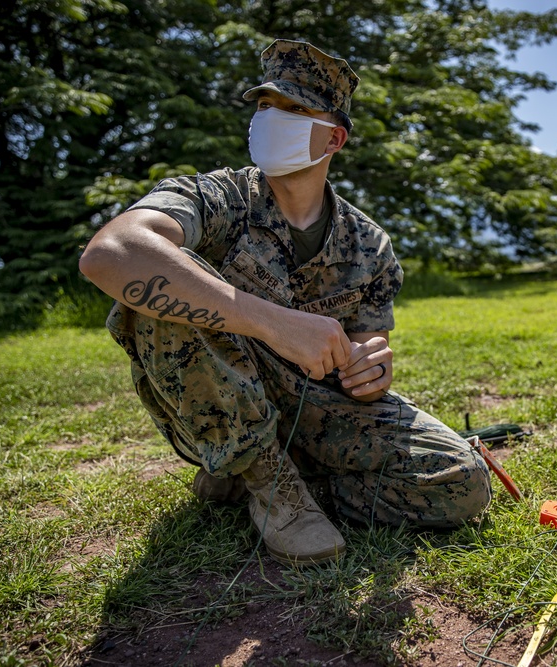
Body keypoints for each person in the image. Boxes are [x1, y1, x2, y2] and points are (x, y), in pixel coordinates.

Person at [79, 39, 492, 567]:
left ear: (334, 138)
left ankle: (255, 478)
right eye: (264, 106)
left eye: (295, 109)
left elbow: (369, 339)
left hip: (316, 406)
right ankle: (270, 485)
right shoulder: (217, 199)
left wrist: (373, 364)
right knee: (169, 284)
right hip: (220, 389)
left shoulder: (369, 242)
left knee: (463, 484)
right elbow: (111, 254)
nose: (272, 119)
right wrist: (274, 324)